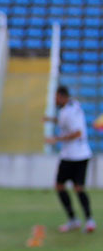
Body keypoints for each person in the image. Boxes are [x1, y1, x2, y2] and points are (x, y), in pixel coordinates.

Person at [45, 85, 95, 233]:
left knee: (77, 188)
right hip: (73, 155)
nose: (55, 100)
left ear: (61, 97)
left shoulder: (69, 112)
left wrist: (57, 139)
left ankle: (87, 219)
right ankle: (75, 219)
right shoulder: (72, 105)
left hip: (76, 155)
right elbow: (64, 121)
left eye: (56, 98)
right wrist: (50, 120)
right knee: (60, 186)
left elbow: (78, 133)